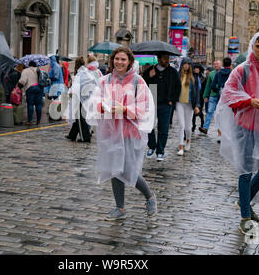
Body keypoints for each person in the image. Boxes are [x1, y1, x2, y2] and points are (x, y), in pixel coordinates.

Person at [214, 32, 259, 235]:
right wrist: (249, 101)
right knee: (245, 171)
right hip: (244, 127)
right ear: (253, 46)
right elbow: (228, 94)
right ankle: (245, 215)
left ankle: (243, 201)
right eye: (258, 47)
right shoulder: (241, 70)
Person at [86, 46, 156, 220]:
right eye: (117, 59)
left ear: (129, 62)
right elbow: (95, 101)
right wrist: (102, 106)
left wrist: (125, 109)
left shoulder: (138, 82)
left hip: (130, 133)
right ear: (112, 60)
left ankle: (149, 196)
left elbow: (145, 107)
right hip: (110, 132)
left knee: (128, 170)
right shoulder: (105, 81)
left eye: (123, 59)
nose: (119, 62)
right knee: (114, 169)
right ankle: (120, 207)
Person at [143, 54, 180, 161]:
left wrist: (172, 100)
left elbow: (178, 87)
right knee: (149, 126)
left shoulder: (172, 72)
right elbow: (143, 84)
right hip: (152, 100)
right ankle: (152, 146)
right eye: (164, 58)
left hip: (166, 103)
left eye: (167, 58)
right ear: (159, 59)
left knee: (163, 128)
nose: (166, 60)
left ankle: (160, 150)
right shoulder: (150, 70)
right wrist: (149, 76)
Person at [176, 58, 200, 156]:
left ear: (190, 65)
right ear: (182, 65)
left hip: (190, 103)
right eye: (184, 64)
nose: (186, 66)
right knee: (181, 125)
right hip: (179, 103)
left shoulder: (194, 77)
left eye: (188, 64)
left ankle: (188, 140)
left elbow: (198, 92)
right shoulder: (178, 76)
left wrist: (197, 105)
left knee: (188, 127)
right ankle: (180, 146)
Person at [65, 56, 93, 142]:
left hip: (80, 98)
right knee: (78, 118)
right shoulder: (86, 72)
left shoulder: (80, 74)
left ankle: (85, 137)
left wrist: (71, 92)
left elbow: (76, 87)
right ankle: (72, 135)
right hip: (87, 97)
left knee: (80, 119)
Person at [210, 56, 233, 144]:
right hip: (230, 98)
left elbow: (212, 86)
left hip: (221, 97)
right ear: (230, 64)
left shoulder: (218, 73)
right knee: (229, 117)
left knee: (219, 116)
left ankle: (220, 135)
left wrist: (218, 90)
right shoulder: (232, 73)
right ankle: (227, 135)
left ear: (223, 64)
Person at [199, 60, 222, 136]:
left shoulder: (224, 72)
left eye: (217, 64)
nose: (216, 65)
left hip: (222, 96)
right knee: (209, 111)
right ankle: (205, 128)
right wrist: (205, 96)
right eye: (215, 64)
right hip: (213, 95)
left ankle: (221, 130)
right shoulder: (211, 74)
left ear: (221, 64)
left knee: (220, 114)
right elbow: (208, 86)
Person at [18, 61, 43, 125]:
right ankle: (38, 121)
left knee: (30, 105)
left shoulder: (26, 71)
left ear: (29, 65)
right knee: (39, 105)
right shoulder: (39, 70)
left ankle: (30, 121)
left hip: (30, 88)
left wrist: (19, 85)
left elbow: (23, 80)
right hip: (39, 88)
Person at [192, 64, 205, 132]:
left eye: (198, 68)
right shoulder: (192, 76)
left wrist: (205, 96)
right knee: (193, 112)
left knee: (200, 111)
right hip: (194, 96)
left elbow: (205, 87)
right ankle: (193, 125)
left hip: (201, 96)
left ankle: (202, 123)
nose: (196, 70)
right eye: (195, 68)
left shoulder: (203, 77)